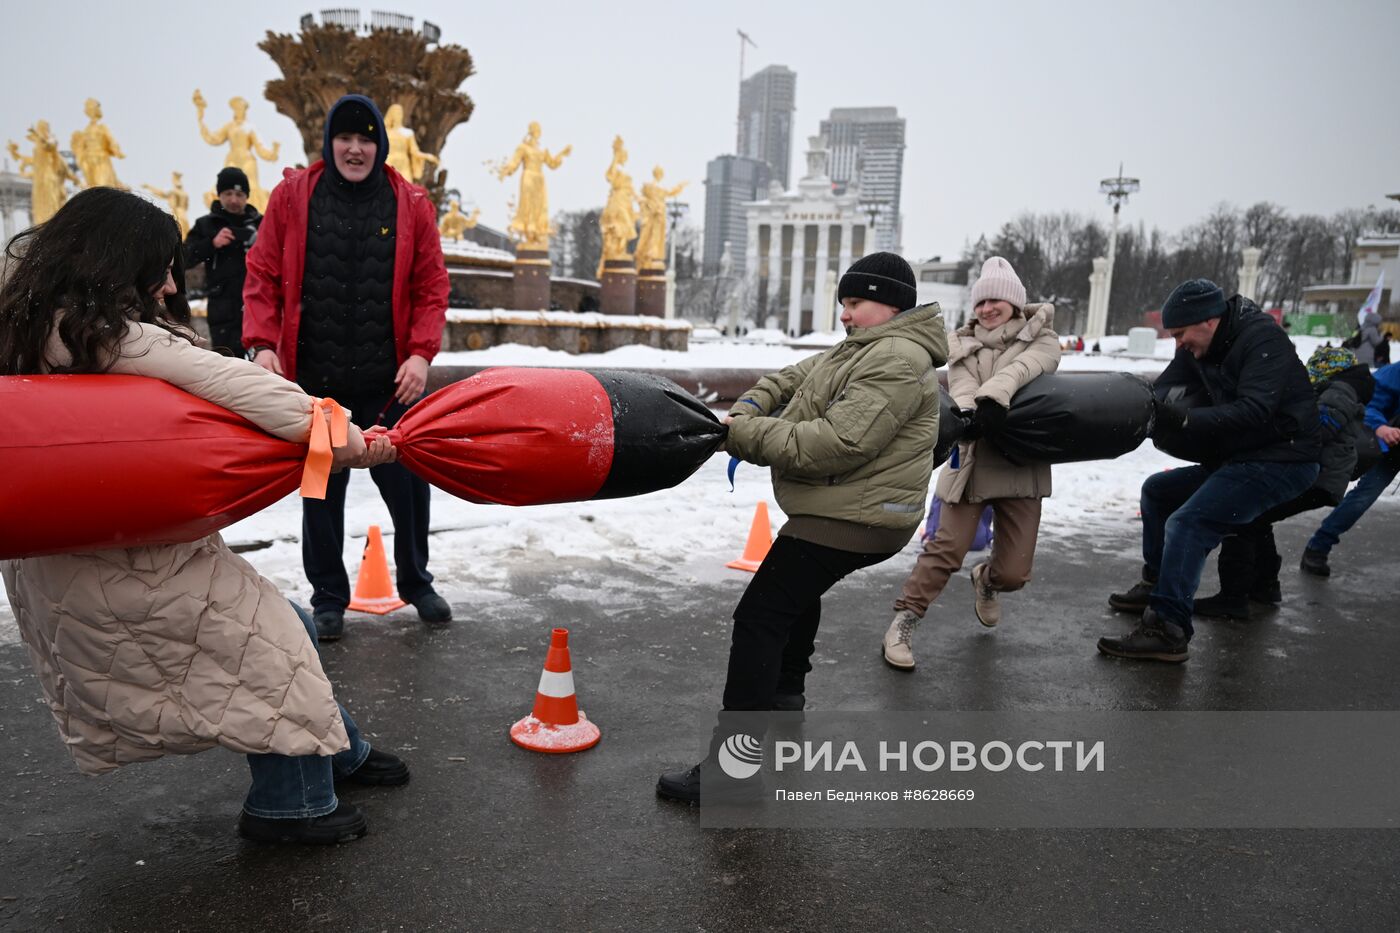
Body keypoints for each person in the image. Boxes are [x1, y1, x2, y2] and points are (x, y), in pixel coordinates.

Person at [0, 188, 409, 845]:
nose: (169, 280)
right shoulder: (111, 336)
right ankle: (293, 806)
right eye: (158, 265)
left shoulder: (28, 329)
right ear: (116, 263)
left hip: (70, 562)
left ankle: (339, 749)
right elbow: (249, 389)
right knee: (269, 643)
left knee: (291, 623)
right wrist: (354, 441)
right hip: (132, 566)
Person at [656, 252, 948, 802]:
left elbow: (834, 445)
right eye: (843, 302)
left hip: (859, 517)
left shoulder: (898, 359)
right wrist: (748, 405)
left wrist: (739, 435)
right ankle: (786, 702)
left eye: (855, 302)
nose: (844, 314)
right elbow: (789, 378)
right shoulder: (861, 347)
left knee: (760, 615)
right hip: (844, 507)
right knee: (793, 594)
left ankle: (733, 773)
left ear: (889, 303)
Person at [243, 94, 452, 640]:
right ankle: (329, 596)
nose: (354, 149)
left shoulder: (409, 202)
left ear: (379, 144)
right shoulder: (292, 196)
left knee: (409, 490)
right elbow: (262, 273)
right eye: (345, 138)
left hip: (389, 385)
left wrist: (420, 353)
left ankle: (416, 582)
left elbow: (431, 285)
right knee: (319, 492)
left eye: (365, 139)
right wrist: (263, 343)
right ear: (329, 141)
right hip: (317, 385)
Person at [1099, 279, 1320, 663]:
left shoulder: (1263, 340)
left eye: (1181, 333)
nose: (1179, 343)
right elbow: (1165, 388)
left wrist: (1183, 420)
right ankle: (1156, 584)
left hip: (1286, 458)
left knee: (1189, 523)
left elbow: (1254, 410)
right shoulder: (1198, 348)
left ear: (1208, 320)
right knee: (1158, 491)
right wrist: (1130, 407)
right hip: (1243, 458)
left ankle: (1168, 629)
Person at [883, 257, 1060, 670]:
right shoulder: (959, 345)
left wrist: (994, 396)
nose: (986, 309)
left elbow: (1025, 367)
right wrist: (969, 414)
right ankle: (904, 621)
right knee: (945, 550)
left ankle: (987, 580)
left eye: (995, 300)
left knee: (1015, 573)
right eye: (981, 302)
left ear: (1015, 304)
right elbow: (961, 388)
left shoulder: (1043, 339)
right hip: (973, 462)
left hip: (1021, 465)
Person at [1193, 346, 1374, 617]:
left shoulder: (1340, 390)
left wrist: (1277, 435)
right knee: (1258, 516)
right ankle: (1265, 587)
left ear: (1327, 369)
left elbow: (1319, 428)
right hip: (1321, 475)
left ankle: (1233, 597)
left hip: (1317, 476)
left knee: (1243, 515)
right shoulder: (1341, 387)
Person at [1299, 359, 1400, 576]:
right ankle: (1318, 547)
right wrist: (1379, 426)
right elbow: (1369, 401)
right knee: (1363, 497)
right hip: (1391, 448)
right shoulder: (1395, 373)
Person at [184, 167, 261, 356]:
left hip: (257, 305)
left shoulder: (261, 224)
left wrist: (260, 243)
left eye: (239, 194)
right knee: (227, 364)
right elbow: (183, 258)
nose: (234, 200)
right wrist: (212, 243)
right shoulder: (207, 224)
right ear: (219, 195)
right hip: (222, 309)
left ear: (247, 196)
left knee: (262, 364)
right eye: (228, 193)